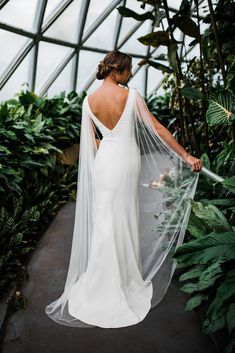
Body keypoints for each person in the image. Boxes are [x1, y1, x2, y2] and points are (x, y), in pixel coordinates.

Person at [45, 50, 203, 329]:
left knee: (106, 220)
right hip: (125, 163)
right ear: (118, 70)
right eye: (128, 70)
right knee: (123, 219)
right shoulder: (131, 97)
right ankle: (120, 281)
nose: (130, 76)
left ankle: (98, 282)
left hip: (105, 163)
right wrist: (186, 156)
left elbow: (91, 143)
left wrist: (108, 147)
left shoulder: (88, 101)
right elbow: (158, 129)